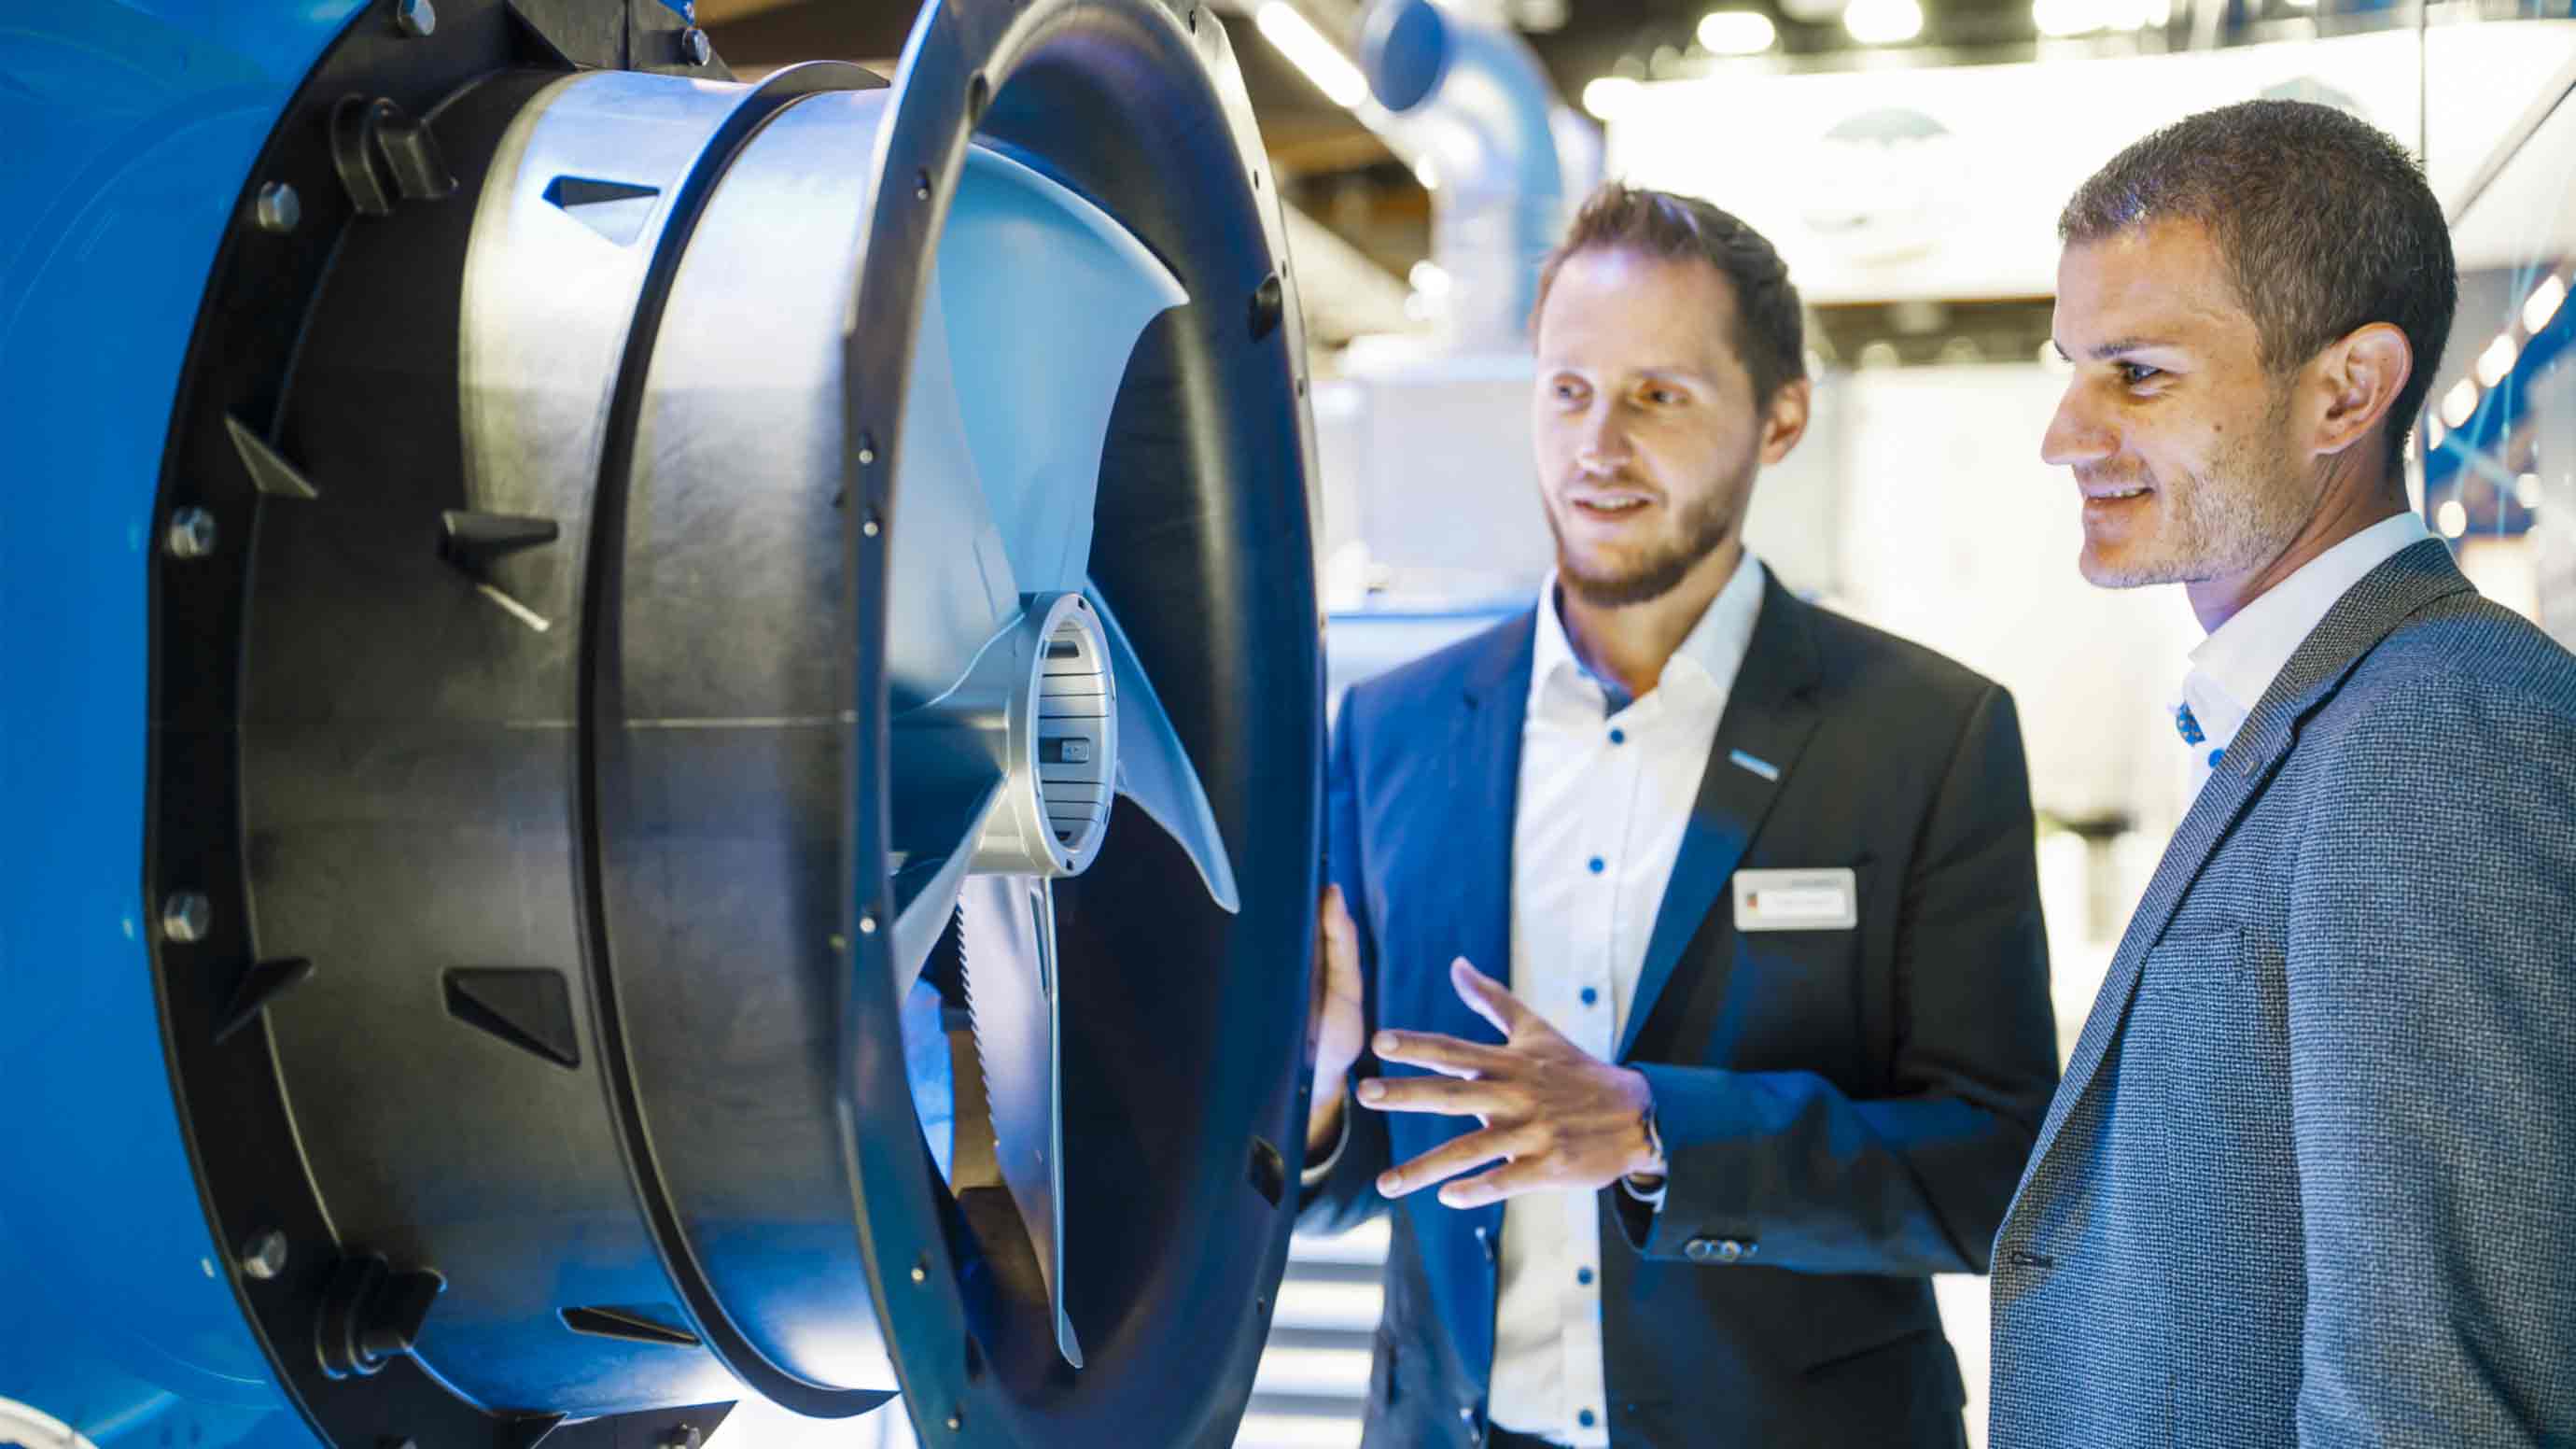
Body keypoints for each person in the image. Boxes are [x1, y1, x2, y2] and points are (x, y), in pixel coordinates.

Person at [1299, 183, 2061, 1449]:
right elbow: (1339, 1191)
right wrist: (1321, 1087)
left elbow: (1998, 1174)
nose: (1599, 446)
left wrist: (1657, 1131)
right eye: (1568, 390)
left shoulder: (1924, 736)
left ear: (1779, 419)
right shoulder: (1394, 730)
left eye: (1660, 395)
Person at [1988, 100, 2576, 1447]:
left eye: (2137, 376)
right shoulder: (2337, 712)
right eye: (2069, 367)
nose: (2064, 435)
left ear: (2346, 391)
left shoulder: (2440, 736)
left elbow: (2436, 1402)